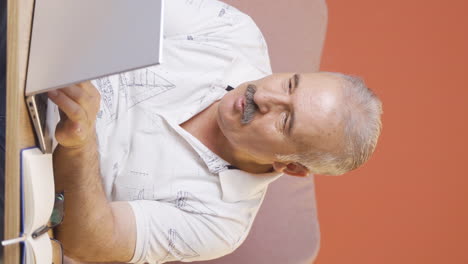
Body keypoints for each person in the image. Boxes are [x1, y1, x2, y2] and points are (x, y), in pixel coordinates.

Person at [45, 0, 382, 263]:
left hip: (27, 163)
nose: (264, 96)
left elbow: (87, 240)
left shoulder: (222, 223)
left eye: (285, 119)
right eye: (290, 83)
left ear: (290, 166)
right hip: (36, 52)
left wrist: (79, 142)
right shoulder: (234, 33)